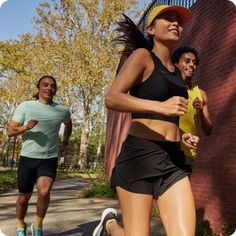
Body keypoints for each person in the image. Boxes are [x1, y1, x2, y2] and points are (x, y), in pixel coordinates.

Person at [93, 5, 199, 236]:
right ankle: (110, 225)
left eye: (178, 21)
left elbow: (167, 118)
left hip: (172, 159)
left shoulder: (176, 73)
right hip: (139, 157)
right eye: (168, 18)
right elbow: (112, 98)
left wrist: (183, 135)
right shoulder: (143, 57)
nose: (175, 23)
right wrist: (160, 106)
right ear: (150, 29)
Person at [7, 75, 72, 236]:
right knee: (24, 197)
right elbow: (10, 132)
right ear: (39, 88)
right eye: (45, 85)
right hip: (28, 158)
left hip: (49, 158)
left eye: (52, 86)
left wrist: (64, 142)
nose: (49, 88)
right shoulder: (25, 106)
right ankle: (21, 224)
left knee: (44, 192)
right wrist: (25, 128)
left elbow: (68, 124)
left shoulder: (62, 111)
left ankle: (37, 225)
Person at [172, 46, 213, 165]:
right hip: (166, 149)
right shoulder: (168, 87)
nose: (191, 65)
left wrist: (201, 113)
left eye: (194, 63)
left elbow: (208, 130)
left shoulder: (201, 94)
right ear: (176, 64)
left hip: (188, 154)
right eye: (187, 61)